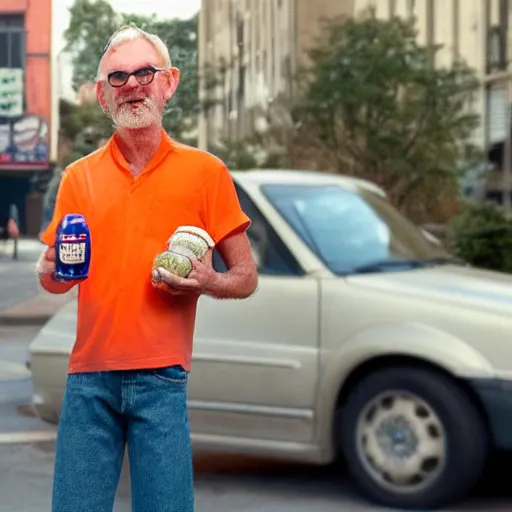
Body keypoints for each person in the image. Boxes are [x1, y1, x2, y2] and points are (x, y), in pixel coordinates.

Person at [36, 24, 258, 512]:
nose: (132, 84)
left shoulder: (206, 173)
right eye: (118, 77)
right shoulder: (79, 177)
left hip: (162, 382)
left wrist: (207, 281)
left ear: (169, 82)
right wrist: (50, 269)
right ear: (101, 94)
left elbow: (245, 277)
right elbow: (55, 280)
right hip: (88, 380)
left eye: (144, 72)